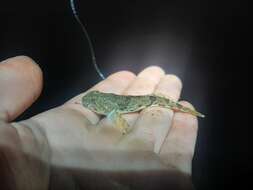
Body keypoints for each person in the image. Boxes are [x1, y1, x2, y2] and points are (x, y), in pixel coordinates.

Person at [0, 56, 198, 190]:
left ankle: (186, 110)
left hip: (135, 101)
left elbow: (119, 119)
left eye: (94, 101)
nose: (89, 102)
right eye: (92, 100)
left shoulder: (115, 110)